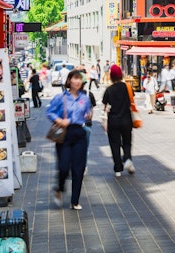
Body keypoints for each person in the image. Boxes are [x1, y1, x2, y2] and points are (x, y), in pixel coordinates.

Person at [46, 69, 92, 211]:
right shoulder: (61, 97)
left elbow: (87, 113)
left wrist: (89, 115)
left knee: (78, 169)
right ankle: (59, 188)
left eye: (80, 79)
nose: (77, 81)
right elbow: (49, 112)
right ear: (69, 80)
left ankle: (75, 201)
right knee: (64, 167)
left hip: (79, 133)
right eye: (75, 78)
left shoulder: (85, 98)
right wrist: (59, 120)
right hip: (64, 134)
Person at [102, 65, 136, 177]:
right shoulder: (127, 87)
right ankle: (127, 160)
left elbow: (105, 106)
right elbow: (132, 100)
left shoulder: (109, 89)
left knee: (114, 144)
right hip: (126, 119)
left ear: (111, 76)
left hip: (113, 120)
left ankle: (118, 169)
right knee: (127, 142)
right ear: (121, 74)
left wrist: (104, 120)